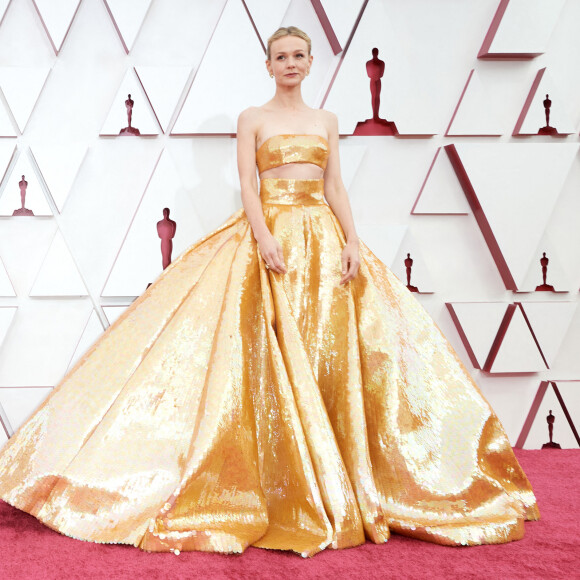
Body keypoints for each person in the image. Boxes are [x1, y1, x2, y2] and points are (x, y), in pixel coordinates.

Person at [0, 26, 539, 558]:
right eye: (280, 56)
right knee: (265, 356)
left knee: (330, 354)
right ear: (268, 64)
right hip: (273, 238)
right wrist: (264, 237)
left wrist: (352, 240)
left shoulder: (325, 119)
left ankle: (340, 470)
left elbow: (334, 187)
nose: (290, 64)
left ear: (309, 62)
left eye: (298, 55)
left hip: (324, 242)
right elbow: (248, 183)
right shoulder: (252, 119)